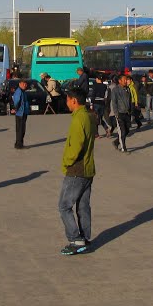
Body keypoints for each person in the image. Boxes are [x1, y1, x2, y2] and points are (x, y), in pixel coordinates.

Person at [59, 87, 95, 255]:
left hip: (76, 170)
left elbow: (76, 146)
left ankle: (75, 239)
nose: (66, 103)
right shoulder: (88, 116)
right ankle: (85, 238)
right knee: (83, 206)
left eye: (67, 100)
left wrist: (66, 162)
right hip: (88, 169)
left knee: (64, 206)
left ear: (74, 100)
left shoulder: (78, 119)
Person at [110, 73, 133, 152]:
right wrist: (116, 114)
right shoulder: (115, 90)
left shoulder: (127, 89)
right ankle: (124, 148)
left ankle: (116, 142)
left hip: (127, 113)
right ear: (119, 81)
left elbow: (130, 100)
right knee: (122, 131)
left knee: (127, 130)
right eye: (124, 80)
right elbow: (114, 102)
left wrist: (130, 110)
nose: (126, 81)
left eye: (126, 80)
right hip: (120, 113)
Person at [13, 78, 30, 149]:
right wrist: (16, 109)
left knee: (22, 129)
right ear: (20, 84)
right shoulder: (19, 91)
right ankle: (19, 145)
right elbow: (17, 101)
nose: (25, 85)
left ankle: (19, 144)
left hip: (24, 112)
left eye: (26, 84)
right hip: (20, 113)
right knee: (20, 129)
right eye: (23, 84)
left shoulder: (23, 91)